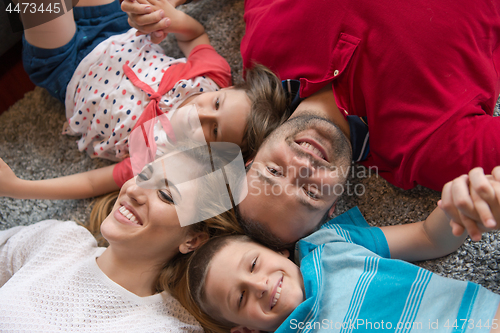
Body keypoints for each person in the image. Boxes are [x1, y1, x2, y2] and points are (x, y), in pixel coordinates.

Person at [123, 0, 500, 192]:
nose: (302, 168)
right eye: (307, 191)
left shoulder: (262, 51)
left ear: (251, 159)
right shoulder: (424, 149)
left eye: (274, 173)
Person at [15, 0, 287, 200]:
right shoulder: (211, 77)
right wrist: (170, 18)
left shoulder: (161, 156)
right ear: (224, 90)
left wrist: (17, 187)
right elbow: (194, 35)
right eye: (216, 104)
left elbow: (90, 183)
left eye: (213, 130)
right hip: (114, 26)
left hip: (65, 68)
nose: (200, 113)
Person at [186, 180, 500, 333]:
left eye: (254, 264)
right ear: (245, 330)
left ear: (277, 250)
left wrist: (461, 210)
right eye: (240, 298)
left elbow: (428, 238)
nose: (259, 285)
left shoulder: (327, 244)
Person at [0, 145, 244, 331]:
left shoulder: (166, 326)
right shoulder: (59, 239)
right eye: (144, 175)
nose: (135, 191)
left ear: (192, 239)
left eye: (165, 195)